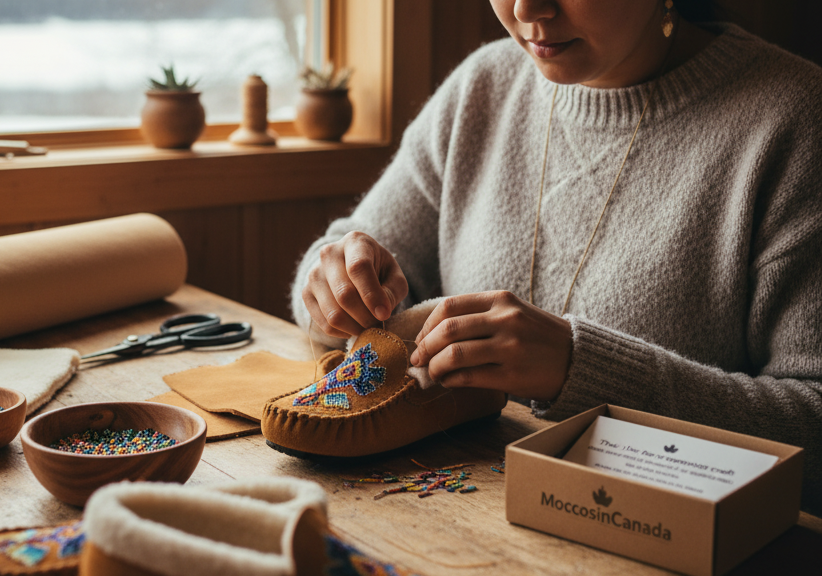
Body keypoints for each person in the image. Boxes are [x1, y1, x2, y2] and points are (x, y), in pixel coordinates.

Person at [291, 0, 822, 514]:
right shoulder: (483, 86)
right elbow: (351, 252)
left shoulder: (796, 120)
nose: (527, 10)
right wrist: (334, 283)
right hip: (453, 520)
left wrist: (581, 370)